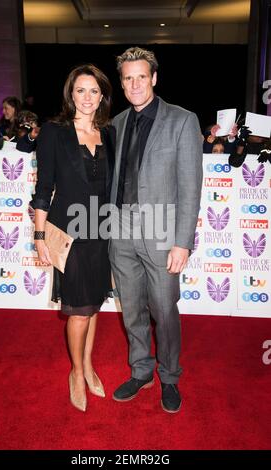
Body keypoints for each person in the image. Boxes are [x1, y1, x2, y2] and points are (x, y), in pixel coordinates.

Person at [109, 47, 203, 413]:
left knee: (164, 309)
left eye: (141, 76)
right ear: (121, 82)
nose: (135, 84)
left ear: (154, 78)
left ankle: (169, 377)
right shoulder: (115, 123)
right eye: (128, 78)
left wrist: (183, 242)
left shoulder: (182, 120)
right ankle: (141, 370)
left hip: (163, 233)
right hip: (120, 230)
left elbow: (190, 186)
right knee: (130, 308)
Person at [30, 64, 114, 412]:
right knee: (78, 311)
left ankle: (89, 364)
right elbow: (44, 187)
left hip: (103, 231)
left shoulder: (109, 133)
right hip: (70, 232)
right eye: (81, 90)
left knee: (93, 308)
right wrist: (38, 236)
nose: (87, 97)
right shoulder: (53, 132)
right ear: (70, 93)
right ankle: (76, 373)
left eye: (94, 91)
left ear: (102, 96)